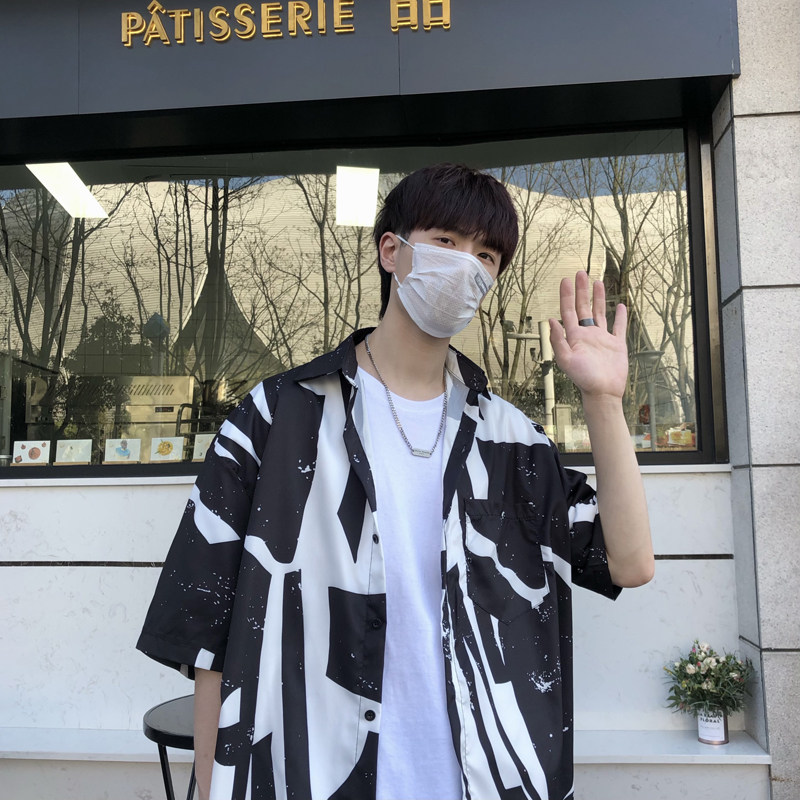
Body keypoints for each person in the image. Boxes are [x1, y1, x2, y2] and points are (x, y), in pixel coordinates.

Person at [137, 163, 654, 800]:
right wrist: (211, 784)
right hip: (311, 777)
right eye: (446, 241)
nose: (466, 266)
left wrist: (603, 400)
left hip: (485, 781)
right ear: (392, 250)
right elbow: (203, 630)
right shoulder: (277, 417)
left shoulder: (509, 439)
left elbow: (628, 562)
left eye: (486, 255)